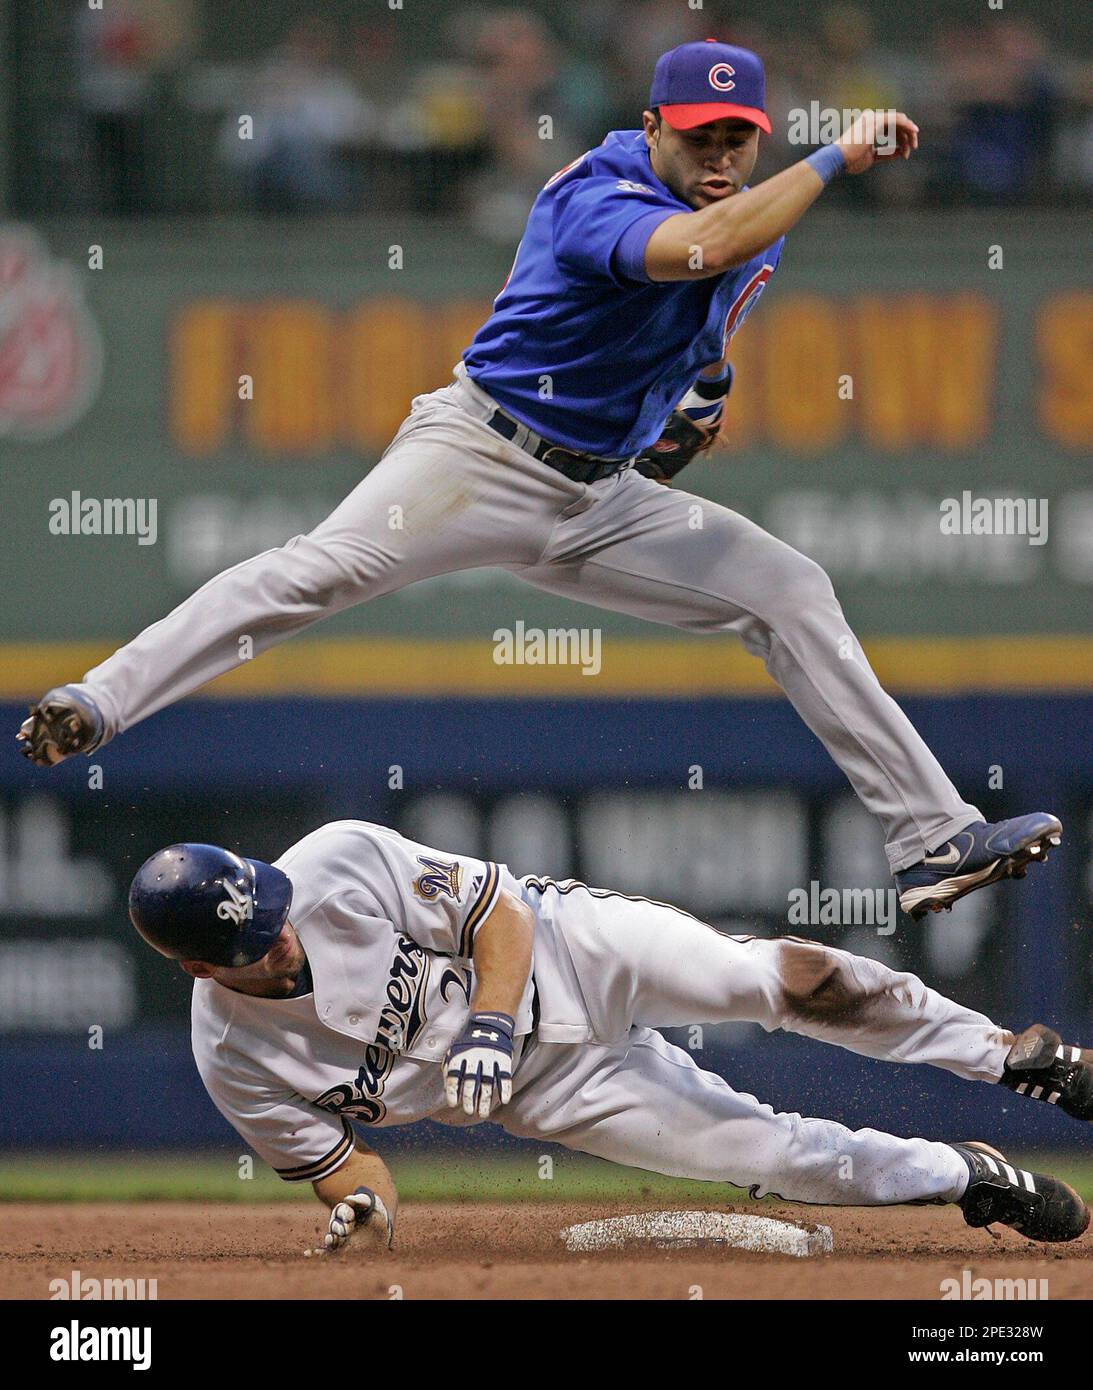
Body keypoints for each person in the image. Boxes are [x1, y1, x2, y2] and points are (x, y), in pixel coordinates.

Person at [21, 40, 1061, 920]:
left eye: (736, 136)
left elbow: (698, 342)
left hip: (601, 496)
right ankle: (98, 700)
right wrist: (836, 154)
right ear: (652, 126)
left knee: (789, 591)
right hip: (477, 456)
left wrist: (698, 401)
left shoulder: (746, 219)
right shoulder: (597, 192)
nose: (716, 153)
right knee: (313, 575)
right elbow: (698, 251)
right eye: (697, 134)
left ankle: (932, 843)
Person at [127, 819, 1091, 1253]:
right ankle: (969, 1177)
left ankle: (1014, 1057)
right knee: (784, 1159)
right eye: (256, 942)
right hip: (547, 1095)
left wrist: (491, 1021)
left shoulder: (335, 861)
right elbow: (350, 1171)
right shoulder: (233, 1059)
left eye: (274, 910)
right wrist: (365, 1215)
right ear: (200, 969)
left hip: (567, 952)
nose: (281, 930)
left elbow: (495, 911)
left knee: (770, 978)